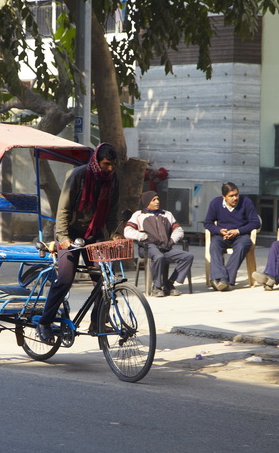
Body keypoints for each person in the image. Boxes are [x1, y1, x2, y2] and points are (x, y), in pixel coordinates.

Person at [36, 142, 120, 342]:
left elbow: (113, 210)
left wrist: (115, 233)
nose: (110, 169)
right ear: (97, 161)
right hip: (70, 233)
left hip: (94, 233)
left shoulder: (113, 179)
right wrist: (63, 239)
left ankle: (97, 321)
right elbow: (63, 209)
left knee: (104, 279)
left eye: (113, 165)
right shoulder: (78, 176)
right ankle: (44, 322)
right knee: (65, 279)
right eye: (107, 164)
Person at [124, 190, 194, 297]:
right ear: (147, 202)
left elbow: (178, 230)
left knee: (187, 256)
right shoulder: (139, 215)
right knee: (158, 256)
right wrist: (143, 237)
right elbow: (127, 231)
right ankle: (156, 286)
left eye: (158, 199)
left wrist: (171, 240)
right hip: (148, 247)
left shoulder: (167, 214)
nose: (157, 202)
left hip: (165, 247)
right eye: (153, 200)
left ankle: (169, 283)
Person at [203, 182, 261, 291]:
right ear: (224, 197)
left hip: (240, 235)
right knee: (214, 245)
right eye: (231, 196)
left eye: (236, 195)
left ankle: (222, 280)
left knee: (243, 245)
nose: (235, 198)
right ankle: (221, 279)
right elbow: (208, 223)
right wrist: (219, 230)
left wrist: (237, 231)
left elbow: (255, 222)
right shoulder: (215, 203)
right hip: (222, 236)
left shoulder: (246, 202)